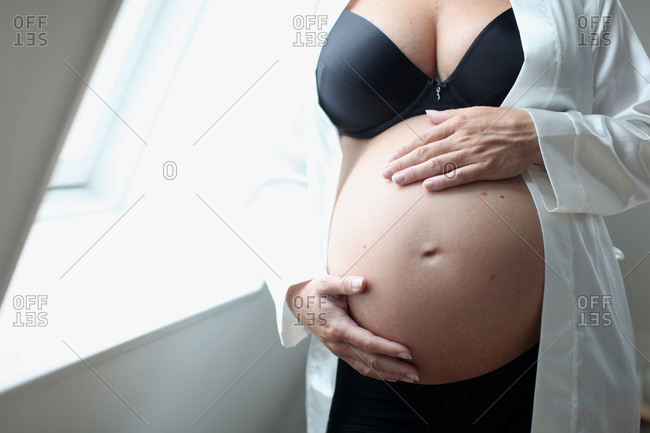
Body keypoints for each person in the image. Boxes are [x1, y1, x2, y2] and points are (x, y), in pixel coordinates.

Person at [244, 0, 650, 431]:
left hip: (539, 370)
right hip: (368, 374)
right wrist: (299, 287)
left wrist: (536, 136)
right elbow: (269, 166)